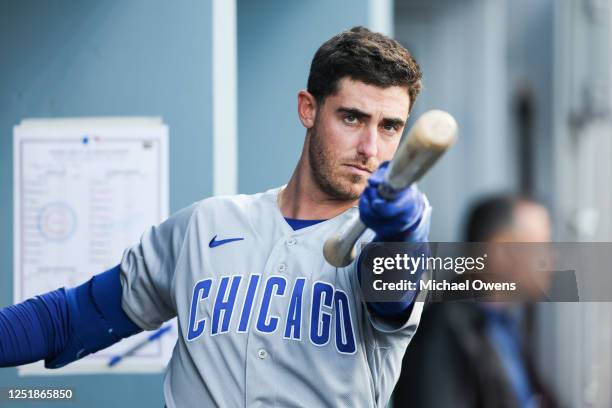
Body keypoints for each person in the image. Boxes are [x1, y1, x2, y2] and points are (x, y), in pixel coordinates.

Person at [1, 27, 431, 407]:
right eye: (352, 118)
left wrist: (402, 231)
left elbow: (392, 291)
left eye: (390, 127)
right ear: (308, 109)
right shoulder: (206, 225)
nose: (370, 148)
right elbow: (73, 318)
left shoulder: (390, 234)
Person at [393, 194, 559, 408]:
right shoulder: (442, 327)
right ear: (503, 251)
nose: (552, 258)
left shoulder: (502, 323)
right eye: (542, 247)